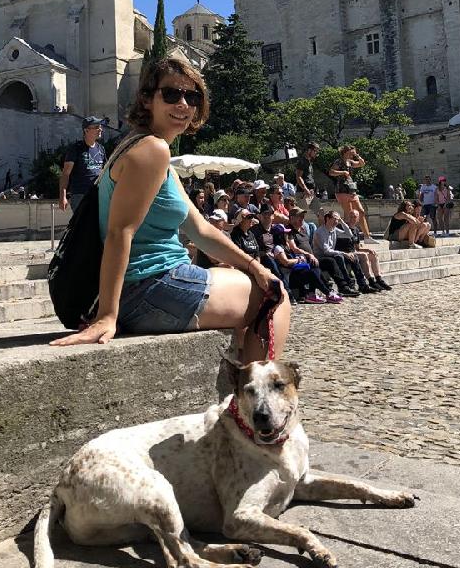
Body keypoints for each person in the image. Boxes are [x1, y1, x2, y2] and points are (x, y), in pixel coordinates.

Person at [50, 56, 290, 362]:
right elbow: (119, 231)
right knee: (276, 297)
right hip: (150, 287)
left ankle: (244, 385)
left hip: (148, 286)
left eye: (192, 96)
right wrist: (107, 316)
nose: (183, 104)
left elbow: (200, 231)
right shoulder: (153, 149)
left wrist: (253, 266)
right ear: (148, 98)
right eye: (172, 94)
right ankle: (256, 405)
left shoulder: (146, 149)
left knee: (255, 280)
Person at [272, 224, 340, 304]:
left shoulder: (285, 246)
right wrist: (298, 260)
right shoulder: (278, 248)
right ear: (280, 236)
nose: (287, 235)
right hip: (289, 277)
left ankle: (312, 294)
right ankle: (328, 293)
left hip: (294, 272)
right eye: (285, 233)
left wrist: (302, 257)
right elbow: (286, 262)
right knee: (312, 273)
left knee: (315, 268)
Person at [313, 211, 369, 295]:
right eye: (334, 219)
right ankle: (346, 285)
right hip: (321, 257)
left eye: (337, 220)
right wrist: (344, 253)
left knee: (353, 257)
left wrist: (342, 222)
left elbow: (349, 234)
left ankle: (362, 284)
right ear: (327, 219)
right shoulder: (320, 232)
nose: (336, 222)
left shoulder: (334, 229)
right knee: (340, 257)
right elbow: (326, 251)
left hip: (332, 255)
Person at [59, 116, 107, 212]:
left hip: (97, 194)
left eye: (101, 126)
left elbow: (104, 171)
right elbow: (65, 174)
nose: (100, 129)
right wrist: (62, 197)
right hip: (80, 195)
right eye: (97, 127)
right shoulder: (75, 148)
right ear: (86, 130)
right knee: (82, 225)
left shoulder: (101, 149)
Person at [337, 210, 391, 289]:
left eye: (355, 217)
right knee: (364, 255)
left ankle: (379, 279)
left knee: (373, 255)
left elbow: (357, 248)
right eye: (351, 216)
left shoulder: (356, 230)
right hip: (345, 252)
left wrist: (368, 250)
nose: (352, 219)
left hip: (354, 252)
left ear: (358, 219)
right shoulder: (342, 227)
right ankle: (370, 280)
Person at [329, 145, 371, 237]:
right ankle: (349, 236)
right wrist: (343, 172)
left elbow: (362, 164)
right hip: (342, 190)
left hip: (351, 190)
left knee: (361, 211)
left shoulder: (350, 162)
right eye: (351, 152)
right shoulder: (339, 162)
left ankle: (367, 236)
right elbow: (331, 172)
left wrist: (358, 156)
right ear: (346, 152)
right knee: (349, 215)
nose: (353, 154)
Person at [295, 142, 322, 215]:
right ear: (309, 150)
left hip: (311, 192)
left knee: (320, 212)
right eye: (315, 151)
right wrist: (305, 189)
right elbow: (298, 176)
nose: (316, 153)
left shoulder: (309, 162)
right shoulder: (302, 161)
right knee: (301, 214)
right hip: (303, 193)